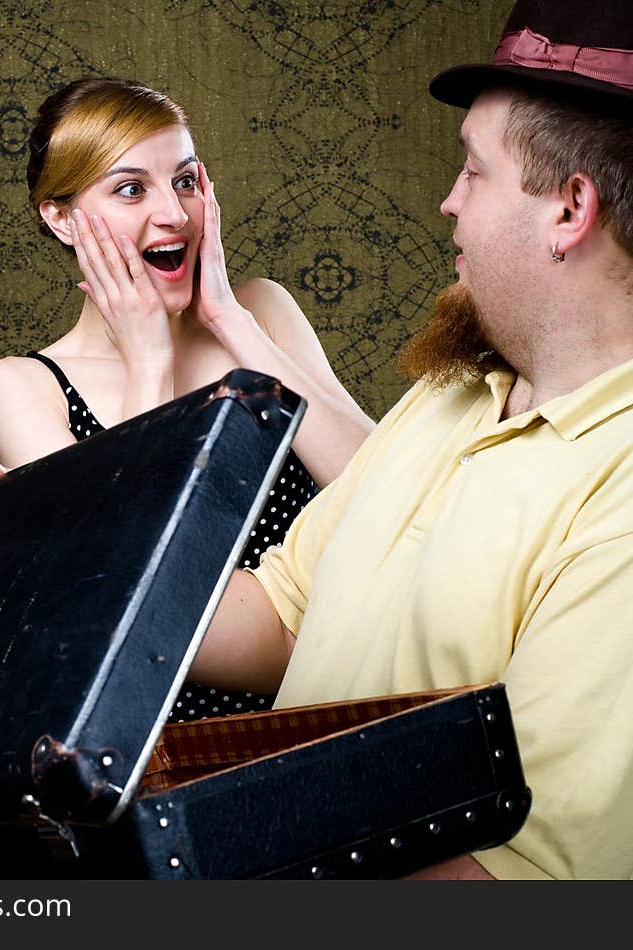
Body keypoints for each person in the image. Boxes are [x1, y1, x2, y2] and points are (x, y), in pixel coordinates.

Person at [190, 0, 633, 879]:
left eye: (473, 171)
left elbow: (515, 883)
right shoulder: (452, 391)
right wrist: (53, 566)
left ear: (569, 209)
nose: (447, 202)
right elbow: (280, 614)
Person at [0, 77, 375, 721]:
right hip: (165, 744)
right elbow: (125, 583)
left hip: (346, 691)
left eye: (185, 181)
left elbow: (390, 495)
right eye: (132, 189)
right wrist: (149, 360)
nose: (175, 215)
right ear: (62, 217)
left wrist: (230, 321)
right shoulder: (22, 385)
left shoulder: (262, 311)